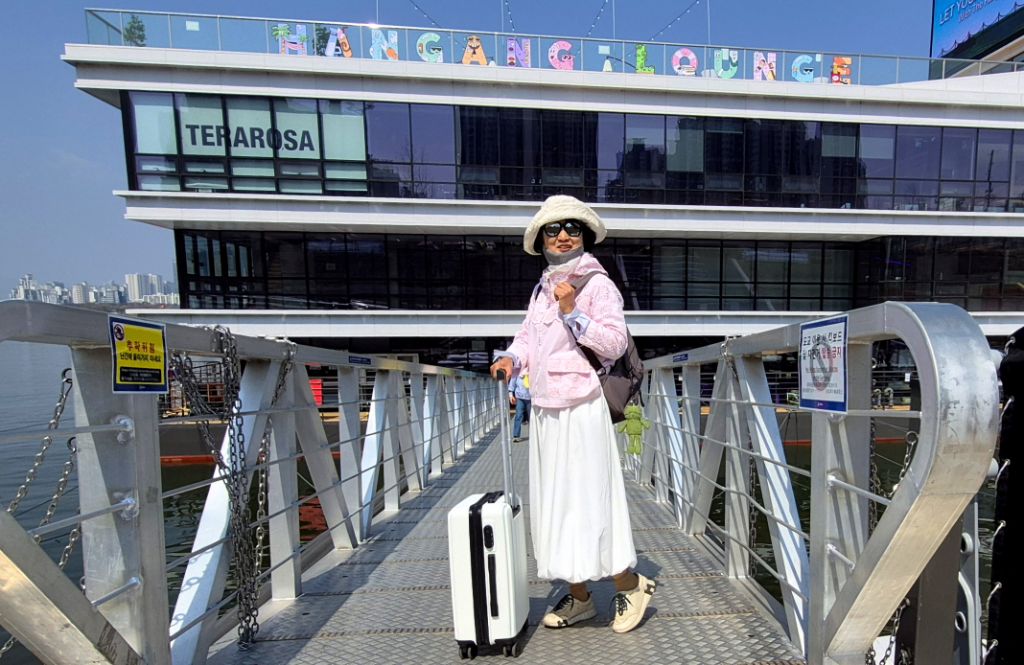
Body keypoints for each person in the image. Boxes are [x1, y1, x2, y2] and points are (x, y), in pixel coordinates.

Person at [490, 195, 655, 635]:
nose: (563, 235)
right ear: (541, 239)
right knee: (555, 505)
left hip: (582, 405)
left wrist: (572, 312)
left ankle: (631, 584)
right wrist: (511, 358)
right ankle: (580, 596)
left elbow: (614, 344)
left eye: (572, 228)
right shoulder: (542, 287)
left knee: (591, 500)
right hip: (547, 408)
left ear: (584, 236)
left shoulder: (597, 284)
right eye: (554, 229)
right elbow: (527, 337)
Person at [508, 371, 531, 442]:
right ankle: (516, 435)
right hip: (520, 397)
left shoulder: (532, 369)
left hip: (530, 397)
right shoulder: (517, 371)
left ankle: (532, 434)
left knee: (531, 417)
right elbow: (512, 383)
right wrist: (510, 394)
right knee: (518, 415)